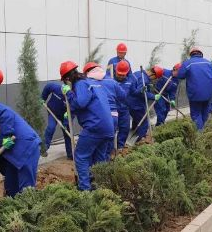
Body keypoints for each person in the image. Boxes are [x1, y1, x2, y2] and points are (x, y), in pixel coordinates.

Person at [62, 61, 116, 190]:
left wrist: (69, 94)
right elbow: (90, 103)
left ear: (67, 79)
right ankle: (100, 188)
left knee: (81, 156)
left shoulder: (80, 84)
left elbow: (81, 103)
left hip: (95, 126)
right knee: (99, 159)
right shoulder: (91, 82)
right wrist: (70, 111)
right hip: (108, 127)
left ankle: (85, 190)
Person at [0, 99, 40, 196]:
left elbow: (6, 113)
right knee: (10, 186)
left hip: (26, 146)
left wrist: (7, 135)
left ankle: (28, 204)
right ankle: (10, 202)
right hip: (11, 157)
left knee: (26, 188)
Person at [177, 48, 212, 130]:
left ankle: (200, 133)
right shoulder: (209, 63)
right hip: (209, 93)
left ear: (191, 54)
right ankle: (206, 130)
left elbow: (180, 75)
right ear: (201, 54)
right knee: (205, 112)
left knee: (196, 114)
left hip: (195, 94)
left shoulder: (187, 63)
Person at [114, 61, 149, 142]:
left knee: (125, 129)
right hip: (113, 109)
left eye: (123, 75)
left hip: (124, 109)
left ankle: (120, 146)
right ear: (115, 71)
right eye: (119, 74)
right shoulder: (110, 80)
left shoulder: (130, 81)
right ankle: (111, 147)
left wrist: (141, 91)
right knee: (112, 129)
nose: (121, 77)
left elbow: (133, 92)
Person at [40, 77, 72, 159]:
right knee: (51, 128)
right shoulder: (56, 88)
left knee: (67, 133)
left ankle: (70, 154)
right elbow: (48, 86)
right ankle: (44, 149)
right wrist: (43, 98)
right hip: (53, 112)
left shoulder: (71, 97)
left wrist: (66, 122)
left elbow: (73, 110)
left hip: (65, 116)